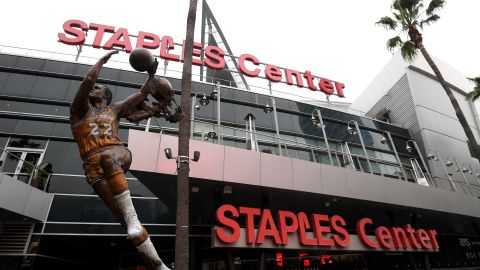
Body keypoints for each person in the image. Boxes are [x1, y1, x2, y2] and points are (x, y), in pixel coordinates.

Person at [70, 51, 170, 270]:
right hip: (92, 167)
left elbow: (142, 93)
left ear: (106, 95)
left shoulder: (114, 110)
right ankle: (160, 266)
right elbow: (87, 80)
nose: (92, 89)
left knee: (108, 157)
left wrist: (152, 72)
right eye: (93, 88)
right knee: (127, 224)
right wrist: (101, 62)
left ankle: (132, 217)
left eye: (98, 88)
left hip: (117, 152)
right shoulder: (78, 112)